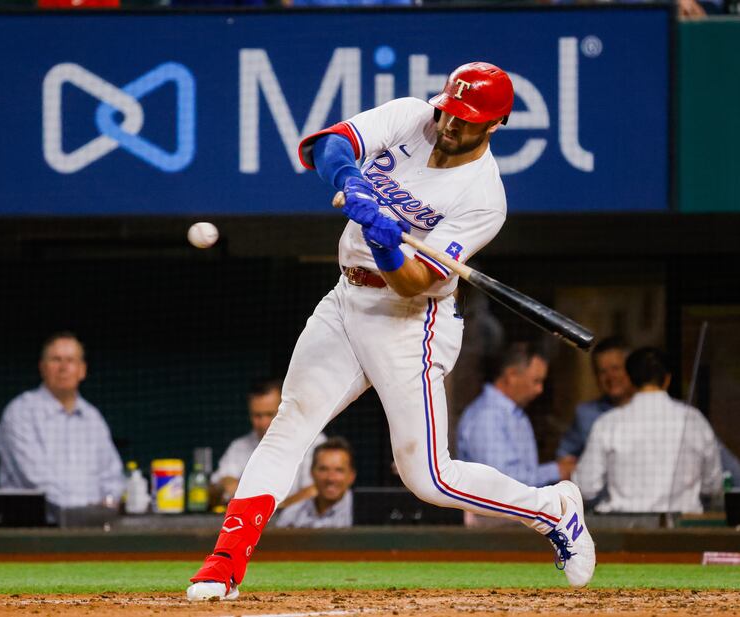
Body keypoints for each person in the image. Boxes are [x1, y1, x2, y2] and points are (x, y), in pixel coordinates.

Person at [187, 62, 595, 601]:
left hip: (410, 321)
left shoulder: (482, 198)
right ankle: (224, 563)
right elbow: (329, 145)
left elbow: (415, 283)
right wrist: (351, 182)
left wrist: (385, 241)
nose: (450, 123)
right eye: (450, 109)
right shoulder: (412, 116)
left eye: (467, 118)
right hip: (344, 299)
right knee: (291, 422)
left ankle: (552, 510)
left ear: (495, 124)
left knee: (427, 477)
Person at [573, 347, 723, 513]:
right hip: (681, 529)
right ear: (667, 380)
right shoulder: (694, 421)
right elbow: (713, 486)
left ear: (629, 380)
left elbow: (585, 487)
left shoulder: (608, 423)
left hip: (625, 530)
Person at [0, 332, 125, 516]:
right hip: (35, 531)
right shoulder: (21, 412)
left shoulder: (92, 417)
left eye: (71, 360)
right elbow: (35, 481)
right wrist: (85, 513)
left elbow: (112, 477)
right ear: (42, 367)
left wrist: (107, 506)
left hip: (92, 529)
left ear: (82, 370)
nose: (63, 367)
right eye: (56, 359)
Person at [457, 343, 575, 489]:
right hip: (490, 511)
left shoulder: (514, 413)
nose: (540, 389)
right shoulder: (487, 416)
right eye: (536, 381)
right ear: (512, 375)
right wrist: (557, 471)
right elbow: (502, 481)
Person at [211, 379, 326, 508]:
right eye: (257, 416)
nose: (263, 423)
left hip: (300, 524)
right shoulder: (240, 446)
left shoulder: (312, 441)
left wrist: (269, 510)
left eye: (270, 414)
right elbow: (215, 486)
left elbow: (314, 490)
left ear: (285, 410)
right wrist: (225, 484)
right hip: (253, 523)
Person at [556, 337, 635, 469]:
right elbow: (564, 457)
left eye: (616, 368)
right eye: (602, 371)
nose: (610, 377)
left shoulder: (648, 410)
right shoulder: (585, 414)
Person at [274, 436, 356, 529]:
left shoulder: (366, 514)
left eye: (339, 470)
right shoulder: (291, 515)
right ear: (311, 473)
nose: (331, 478)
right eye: (323, 469)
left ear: (351, 476)